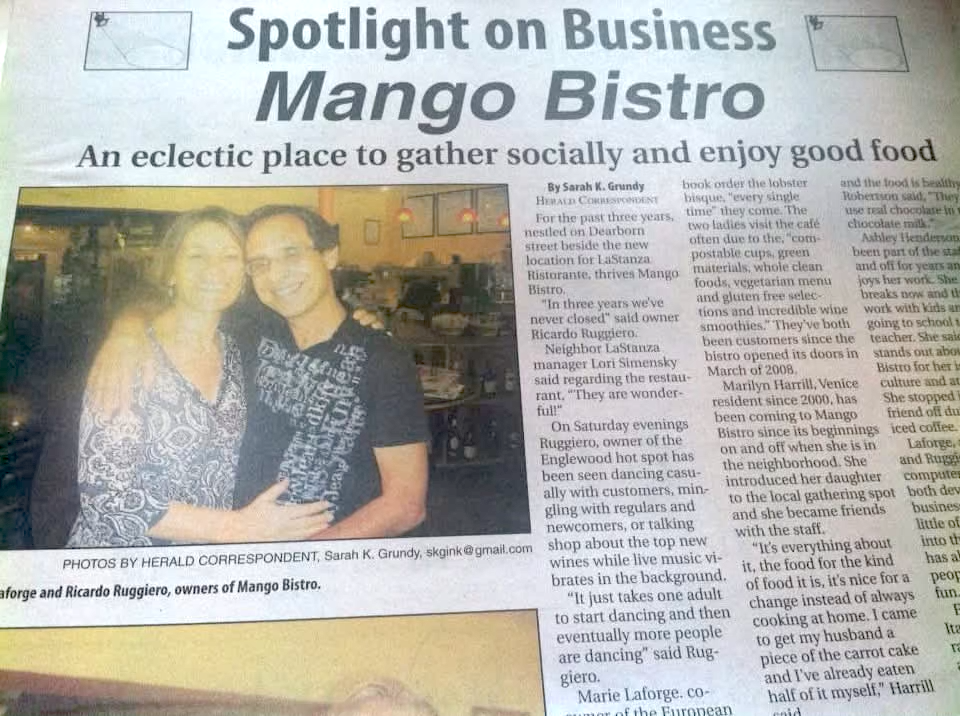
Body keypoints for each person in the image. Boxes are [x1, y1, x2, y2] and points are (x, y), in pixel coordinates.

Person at [87, 204, 429, 541]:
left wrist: (303, 558)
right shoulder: (251, 333)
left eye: (291, 253)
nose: (276, 275)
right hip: (226, 552)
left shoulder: (384, 359)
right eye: (259, 264)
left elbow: (405, 506)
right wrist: (126, 330)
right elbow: (181, 301)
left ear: (329, 255)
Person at [67, 208, 332, 547]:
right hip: (117, 573)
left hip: (204, 571)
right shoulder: (131, 355)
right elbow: (106, 502)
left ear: (244, 276)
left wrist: (364, 328)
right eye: (197, 255)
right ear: (170, 270)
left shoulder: (244, 349)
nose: (214, 270)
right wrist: (237, 527)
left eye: (230, 257)